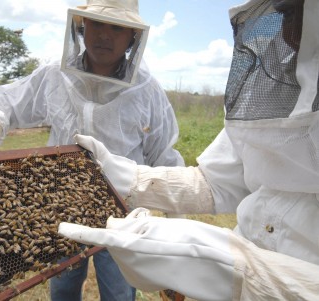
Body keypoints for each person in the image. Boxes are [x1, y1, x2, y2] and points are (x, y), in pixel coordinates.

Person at [58, 0, 319, 300]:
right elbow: (217, 182)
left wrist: (234, 270)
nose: (291, 34)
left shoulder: (147, 88)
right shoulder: (280, 88)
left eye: (302, 16)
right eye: (287, 14)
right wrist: (133, 179)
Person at [0, 0, 184, 300]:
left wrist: (177, 235)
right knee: (62, 287)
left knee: (118, 292)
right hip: (62, 205)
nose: (105, 35)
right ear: (81, 26)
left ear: (133, 38)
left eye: (117, 28)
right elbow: (9, 102)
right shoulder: (54, 74)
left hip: (121, 215)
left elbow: (165, 159)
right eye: (97, 23)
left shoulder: (147, 90)